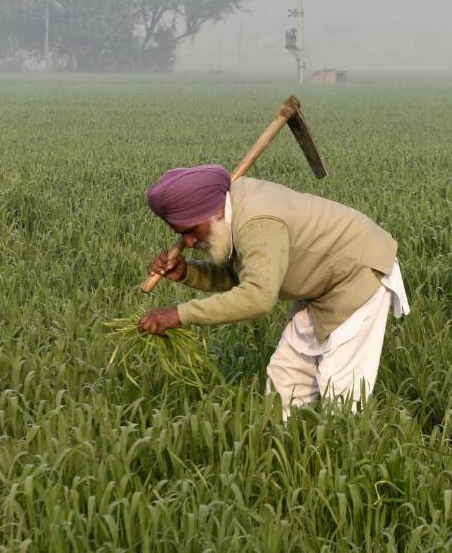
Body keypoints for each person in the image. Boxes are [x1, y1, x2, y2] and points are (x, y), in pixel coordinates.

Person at [138, 165, 409, 417]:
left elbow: (258, 297)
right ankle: (286, 450)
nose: (188, 241)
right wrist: (187, 273)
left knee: (341, 390)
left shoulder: (259, 223)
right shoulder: (227, 210)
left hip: (357, 273)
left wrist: (178, 314)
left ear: (214, 210)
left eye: (190, 230)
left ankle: (345, 455)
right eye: (181, 233)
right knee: (285, 379)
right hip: (319, 283)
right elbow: (242, 274)